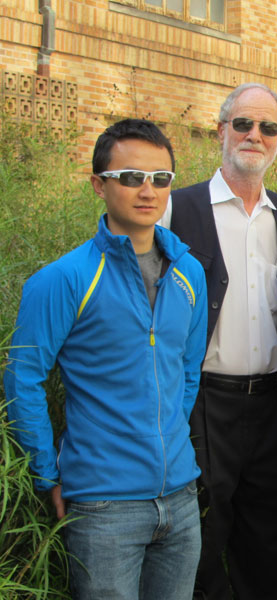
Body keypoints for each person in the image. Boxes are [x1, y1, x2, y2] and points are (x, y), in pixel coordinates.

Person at [4, 118, 207, 599]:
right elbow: (23, 379)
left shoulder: (190, 272)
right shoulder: (64, 279)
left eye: (160, 178)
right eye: (130, 177)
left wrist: (168, 440)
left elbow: (187, 370)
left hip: (180, 497)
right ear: (99, 184)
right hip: (103, 504)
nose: (147, 190)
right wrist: (45, 474)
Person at [160, 83, 277, 599]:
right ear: (221, 131)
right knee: (197, 538)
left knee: (267, 543)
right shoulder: (178, 207)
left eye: (267, 127)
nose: (254, 135)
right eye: (243, 124)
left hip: (272, 404)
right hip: (202, 404)